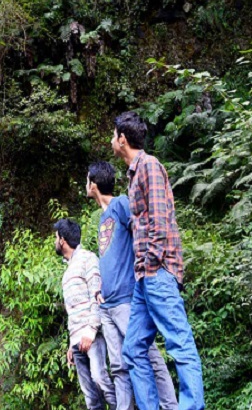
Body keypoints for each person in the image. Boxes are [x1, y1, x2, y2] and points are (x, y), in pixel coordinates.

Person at [112, 111, 205, 410]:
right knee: (133, 349)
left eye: (113, 136)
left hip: (157, 271)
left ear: (122, 139)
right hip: (144, 276)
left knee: (180, 343)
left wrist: (151, 261)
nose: (111, 141)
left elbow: (161, 221)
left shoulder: (149, 166)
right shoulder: (133, 174)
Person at [86, 161, 177, 410]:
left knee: (148, 355)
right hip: (107, 303)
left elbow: (141, 237)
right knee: (119, 366)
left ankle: (171, 406)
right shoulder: (103, 217)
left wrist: (143, 279)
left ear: (93, 184)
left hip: (127, 298)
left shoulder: (122, 204)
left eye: (87, 180)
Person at [55, 218, 117, 410]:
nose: (54, 242)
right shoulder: (68, 271)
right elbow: (73, 310)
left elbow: (97, 296)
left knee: (101, 380)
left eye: (55, 237)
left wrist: (91, 331)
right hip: (77, 339)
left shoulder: (88, 259)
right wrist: (71, 344)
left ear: (63, 239)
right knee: (90, 396)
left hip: (91, 334)